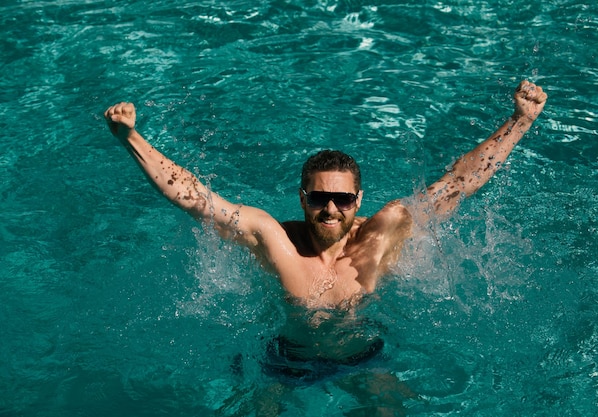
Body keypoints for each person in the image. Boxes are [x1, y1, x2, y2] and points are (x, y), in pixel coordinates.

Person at [105, 80, 547, 311]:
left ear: (359, 198)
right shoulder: (274, 239)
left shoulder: (384, 232)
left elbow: (457, 184)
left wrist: (520, 121)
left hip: (364, 353)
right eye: (319, 199)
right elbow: (195, 197)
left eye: (343, 200)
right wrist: (131, 137)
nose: (331, 209)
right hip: (285, 357)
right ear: (302, 199)